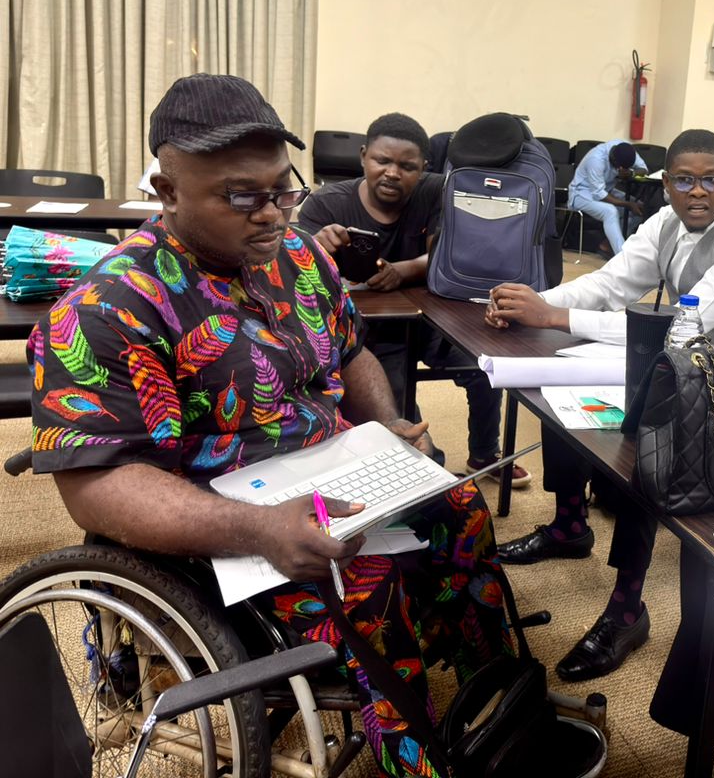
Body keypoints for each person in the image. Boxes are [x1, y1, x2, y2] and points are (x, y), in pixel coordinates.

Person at [28, 73, 513, 776]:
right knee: (365, 579)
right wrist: (258, 530)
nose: (272, 214)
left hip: (327, 473)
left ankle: (488, 693)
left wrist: (390, 426)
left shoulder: (299, 257)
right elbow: (95, 487)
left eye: (283, 190)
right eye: (241, 197)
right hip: (214, 524)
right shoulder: (106, 309)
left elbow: (351, 351)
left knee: (462, 507)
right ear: (167, 192)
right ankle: (419, 753)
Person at [485, 128, 714, 680]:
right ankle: (569, 526)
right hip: (684, 372)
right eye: (685, 180)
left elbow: (685, 325)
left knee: (647, 441)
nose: (698, 192)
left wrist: (555, 317)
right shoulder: (665, 224)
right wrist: (534, 303)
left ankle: (627, 609)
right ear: (666, 183)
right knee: (560, 387)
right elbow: (609, 284)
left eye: (711, 180)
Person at [296, 112, 529, 486]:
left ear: (424, 167)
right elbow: (296, 271)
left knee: (486, 368)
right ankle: (425, 468)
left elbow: (449, 252)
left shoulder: (437, 191)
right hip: (370, 333)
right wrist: (317, 249)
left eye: (407, 166)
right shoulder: (327, 205)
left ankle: (484, 453)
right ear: (363, 156)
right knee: (393, 402)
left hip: (433, 321)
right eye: (382, 160)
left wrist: (403, 271)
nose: (392, 173)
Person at [568, 139, 648, 257]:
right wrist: (628, 204)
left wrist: (631, 173)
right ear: (613, 158)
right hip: (581, 193)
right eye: (618, 167)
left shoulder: (627, 150)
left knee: (640, 208)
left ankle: (608, 245)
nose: (619, 170)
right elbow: (599, 194)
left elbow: (644, 169)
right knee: (610, 212)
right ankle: (622, 257)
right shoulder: (596, 159)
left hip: (607, 190)